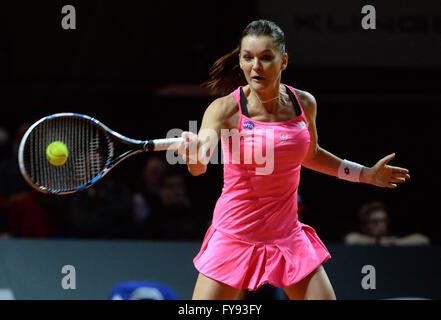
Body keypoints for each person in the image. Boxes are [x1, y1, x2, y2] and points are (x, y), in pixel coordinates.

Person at [175, 20, 410, 300]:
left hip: (286, 235)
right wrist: (193, 151)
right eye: (247, 57)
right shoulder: (225, 109)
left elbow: (311, 155)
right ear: (240, 60)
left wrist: (364, 174)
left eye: (265, 58)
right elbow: (199, 165)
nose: (255, 67)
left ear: (283, 60)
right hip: (235, 234)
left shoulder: (304, 103)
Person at [344, 200, 430, 246]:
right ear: (364, 224)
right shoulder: (360, 237)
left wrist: (394, 242)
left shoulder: (392, 238)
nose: (381, 225)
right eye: (375, 222)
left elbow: (423, 240)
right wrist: (378, 242)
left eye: (384, 221)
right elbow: (351, 239)